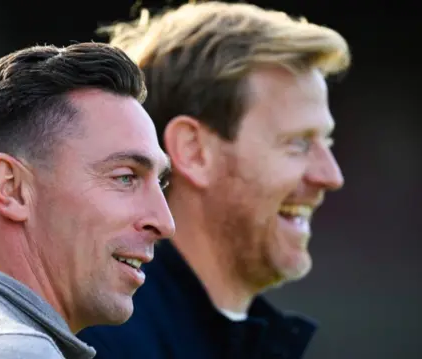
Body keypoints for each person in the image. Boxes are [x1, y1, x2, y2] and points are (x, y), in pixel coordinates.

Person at [78, 2, 351, 359]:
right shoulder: (98, 345)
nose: (331, 177)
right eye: (297, 143)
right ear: (194, 151)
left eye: (326, 141)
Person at [0, 42, 175, 359]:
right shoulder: (9, 350)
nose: (164, 222)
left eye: (160, 182)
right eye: (125, 177)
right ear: (10, 188)